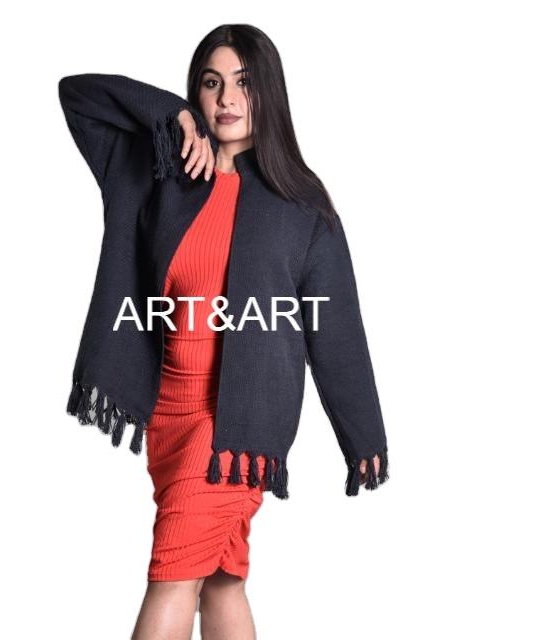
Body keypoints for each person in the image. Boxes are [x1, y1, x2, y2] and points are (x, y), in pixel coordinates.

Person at [58, 24, 388, 640]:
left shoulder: (302, 207)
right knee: (221, 580)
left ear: (269, 94)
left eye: (244, 83)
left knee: (173, 576)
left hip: (236, 427)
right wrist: (173, 114)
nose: (227, 98)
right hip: (168, 417)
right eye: (211, 84)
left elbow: (336, 327)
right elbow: (78, 96)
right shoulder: (166, 172)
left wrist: (363, 436)